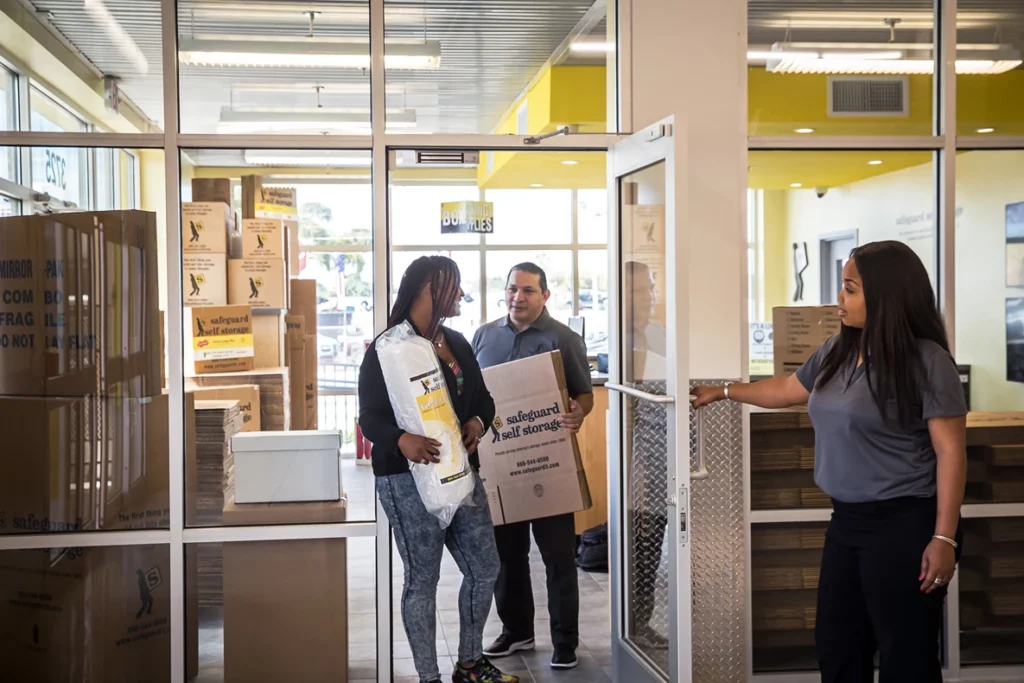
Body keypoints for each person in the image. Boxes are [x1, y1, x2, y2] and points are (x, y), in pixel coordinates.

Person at [692, 241, 967, 683]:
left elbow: (951, 452)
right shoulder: (837, 350)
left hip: (905, 524)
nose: (839, 298)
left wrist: (944, 538)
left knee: (905, 656)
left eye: (851, 289)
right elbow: (786, 390)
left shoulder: (929, 363)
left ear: (886, 295)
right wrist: (722, 392)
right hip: (848, 522)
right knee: (838, 646)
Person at [358, 256, 518, 683]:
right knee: (423, 580)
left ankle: (469, 663)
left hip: (461, 474)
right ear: (428, 289)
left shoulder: (457, 343)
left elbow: (484, 400)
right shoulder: (387, 349)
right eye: (453, 286)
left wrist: (477, 423)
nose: (460, 293)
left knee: (485, 568)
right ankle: (428, 677)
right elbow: (368, 417)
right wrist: (400, 440)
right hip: (405, 480)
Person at [473, 262, 594, 670]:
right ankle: (517, 631)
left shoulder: (564, 339)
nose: (517, 298)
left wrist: (578, 413)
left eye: (527, 291)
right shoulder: (484, 336)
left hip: (549, 465)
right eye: (511, 289)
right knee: (507, 556)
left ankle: (565, 643)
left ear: (544, 295)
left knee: (559, 557)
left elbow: (584, 393)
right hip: (502, 468)